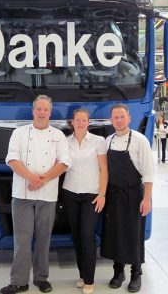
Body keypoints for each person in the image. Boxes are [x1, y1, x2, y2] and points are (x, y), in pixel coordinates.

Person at [0, 95, 71, 294]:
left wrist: (42, 180)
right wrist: (32, 178)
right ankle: (18, 282)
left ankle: (41, 278)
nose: (41, 112)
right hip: (22, 195)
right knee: (22, 240)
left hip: (47, 195)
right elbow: (12, 160)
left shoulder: (58, 135)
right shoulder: (19, 133)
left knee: (43, 238)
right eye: (38, 109)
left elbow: (64, 163)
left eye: (45, 109)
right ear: (33, 111)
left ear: (49, 112)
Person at [101, 104, 154, 293]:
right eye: (115, 117)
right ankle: (118, 272)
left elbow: (148, 173)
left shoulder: (140, 140)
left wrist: (146, 199)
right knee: (115, 232)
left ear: (129, 118)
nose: (119, 120)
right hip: (114, 194)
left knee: (134, 233)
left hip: (134, 194)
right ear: (111, 120)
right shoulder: (108, 140)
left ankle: (136, 273)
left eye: (122, 117)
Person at [62, 108, 108, 294]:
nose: (81, 123)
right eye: (77, 120)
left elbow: (104, 169)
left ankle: (89, 279)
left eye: (84, 120)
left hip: (92, 195)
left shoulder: (98, 141)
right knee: (77, 236)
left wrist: (102, 194)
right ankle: (82, 274)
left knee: (87, 236)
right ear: (72, 122)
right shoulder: (65, 142)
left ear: (88, 122)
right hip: (70, 193)